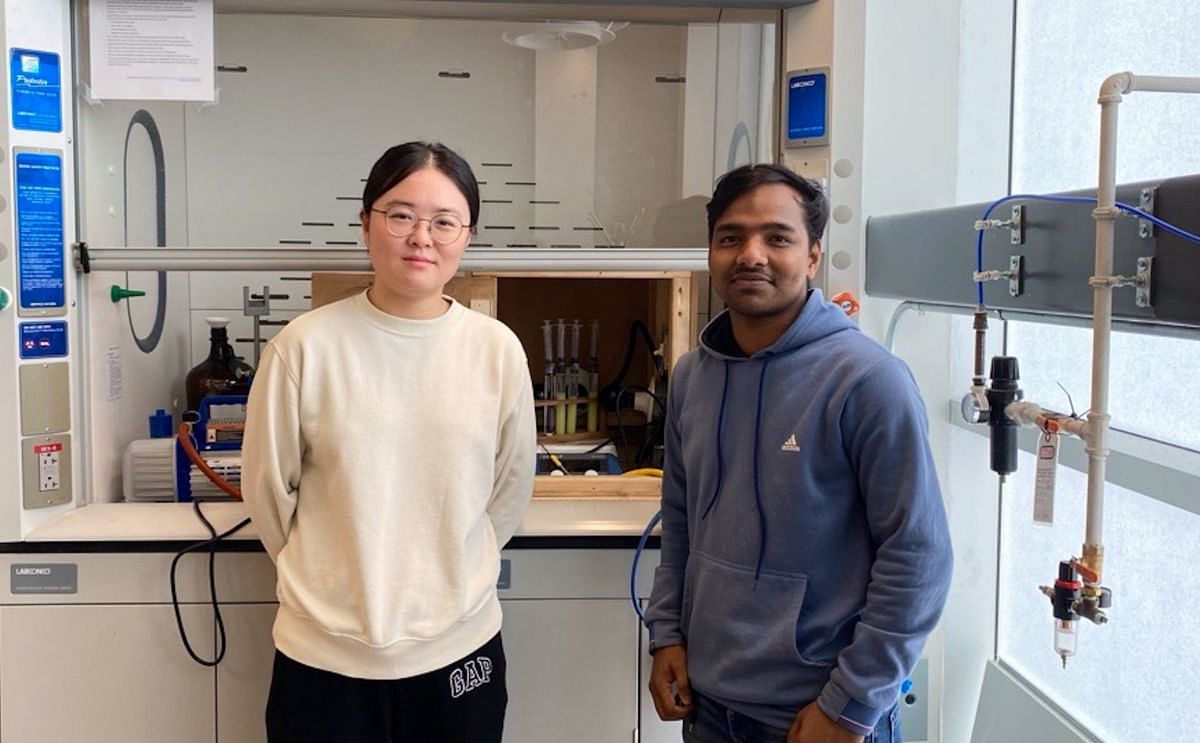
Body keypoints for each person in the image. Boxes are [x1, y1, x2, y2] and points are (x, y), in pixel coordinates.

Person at [644, 163, 952, 743]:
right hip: (708, 707)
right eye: (730, 237)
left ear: (812, 256)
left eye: (777, 238)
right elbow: (679, 522)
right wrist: (667, 634)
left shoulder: (868, 381)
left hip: (815, 713)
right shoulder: (692, 378)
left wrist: (851, 704)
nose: (750, 255)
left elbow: (918, 555)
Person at [242, 141, 536, 743]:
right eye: (400, 215)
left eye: (444, 221)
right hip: (324, 661)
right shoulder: (304, 347)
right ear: (366, 223)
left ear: (467, 235)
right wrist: (332, 588)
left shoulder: (496, 350)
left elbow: (508, 491)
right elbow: (269, 492)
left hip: (461, 652)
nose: (421, 237)